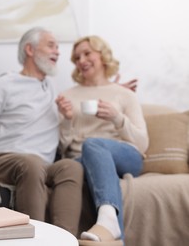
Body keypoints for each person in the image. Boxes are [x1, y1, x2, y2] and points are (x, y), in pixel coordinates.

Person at [0, 27, 84, 236]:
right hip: (2, 159)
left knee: (71, 167)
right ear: (30, 50)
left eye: (58, 47)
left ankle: (64, 240)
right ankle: (32, 242)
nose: (58, 52)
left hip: (41, 165)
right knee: (31, 164)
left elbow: (63, 137)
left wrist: (67, 119)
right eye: (51, 45)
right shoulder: (6, 84)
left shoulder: (51, 87)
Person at [56, 36, 148, 246]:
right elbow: (62, 147)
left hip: (125, 155)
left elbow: (142, 143)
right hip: (83, 160)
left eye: (87, 53)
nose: (81, 60)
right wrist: (68, 120)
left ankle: (108, 221)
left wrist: (117, 118)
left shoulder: (124, 94)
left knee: (93, 143)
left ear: (102, 55)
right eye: (77, 57)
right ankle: (113, 233)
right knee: (73, 163)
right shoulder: (68, 96)